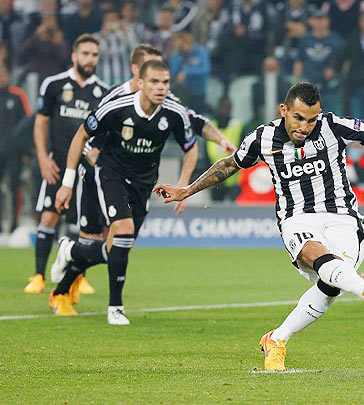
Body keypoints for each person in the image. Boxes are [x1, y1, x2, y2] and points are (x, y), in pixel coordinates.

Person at [153, 82, 364, 371]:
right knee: (316, 254)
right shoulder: (262, 137)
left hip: (343, 216)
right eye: (298, 118)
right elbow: (230, 165)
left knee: (332, 284)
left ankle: (277, 338)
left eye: (311, 120)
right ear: (284, 110)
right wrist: (187, 190)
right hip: (296, 218)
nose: (304, 127)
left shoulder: (332, 125)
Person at [47, 44, 235, 315]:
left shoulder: (167, 104)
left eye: (164, 78)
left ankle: (65, 274)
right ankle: (81, 297)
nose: (160, 85)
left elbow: (193, 123)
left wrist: (218, 140)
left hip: (140, 180)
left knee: (120, 246)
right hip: (101, 173)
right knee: (105, 236)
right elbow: (88, 136)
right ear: (138, 73)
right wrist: (74, 178)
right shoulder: (115, 99)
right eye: (153, 76)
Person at [24, 34, 109, 295]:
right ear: (74, 55)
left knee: (80, 223)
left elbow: (105, 133)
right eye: (85, 53)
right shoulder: (54, 84)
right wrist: (42, 157)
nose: (89, 59)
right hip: (56, 163)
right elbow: (41, 122)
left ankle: (78, 277)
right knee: (49, 216)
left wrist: (97, 155)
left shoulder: (103, 92)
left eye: (94, 55)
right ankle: (38, 275)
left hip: (85, 169)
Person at [0, 63, 32, 233]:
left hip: (13, 152)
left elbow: (27, 123)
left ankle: (14, 223)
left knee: (14, 187)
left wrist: (26, 150)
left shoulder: (17, 95)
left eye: (3, 74)